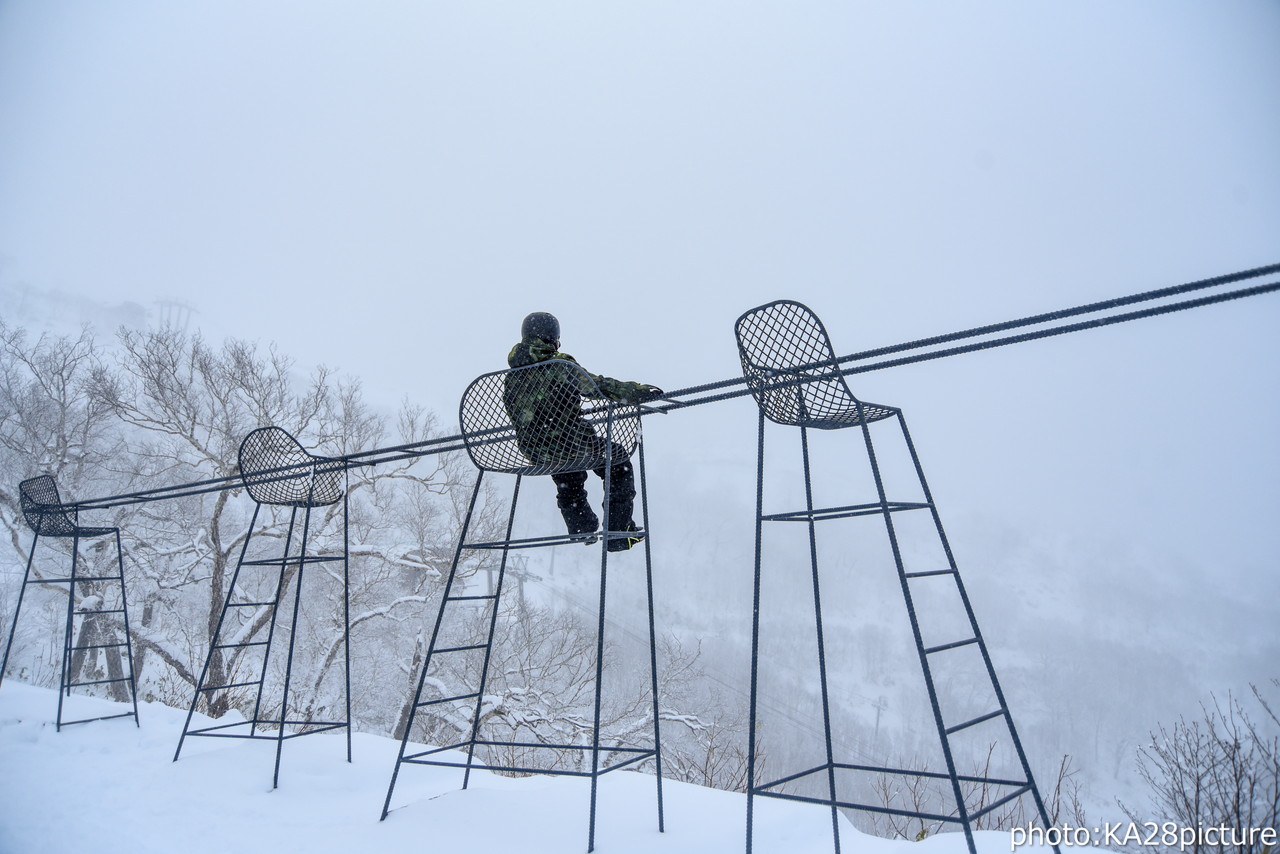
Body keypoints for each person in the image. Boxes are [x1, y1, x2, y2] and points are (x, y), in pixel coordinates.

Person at [506, 312, 663, 552]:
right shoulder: (560, 365)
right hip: (572, 444)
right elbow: (597, 386)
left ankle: (582, 529)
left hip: (537, 451)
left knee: (568, 475)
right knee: (617, 460)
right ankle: (618, 533)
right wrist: (635, 392)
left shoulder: (512, 377)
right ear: (553, 338)